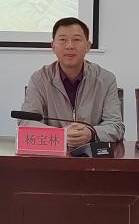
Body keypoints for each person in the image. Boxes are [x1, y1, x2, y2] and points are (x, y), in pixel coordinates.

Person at [19, 17, 125, 148]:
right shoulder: (40, 79)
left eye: (76, 40)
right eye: (63, 40)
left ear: (88, 46)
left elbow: (116, 125)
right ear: (53, 46)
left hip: (93, 154)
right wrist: (61, 135)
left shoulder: (105, 79)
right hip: (53, 154)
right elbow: (26, 122)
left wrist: (91, 133)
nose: (69, 46)